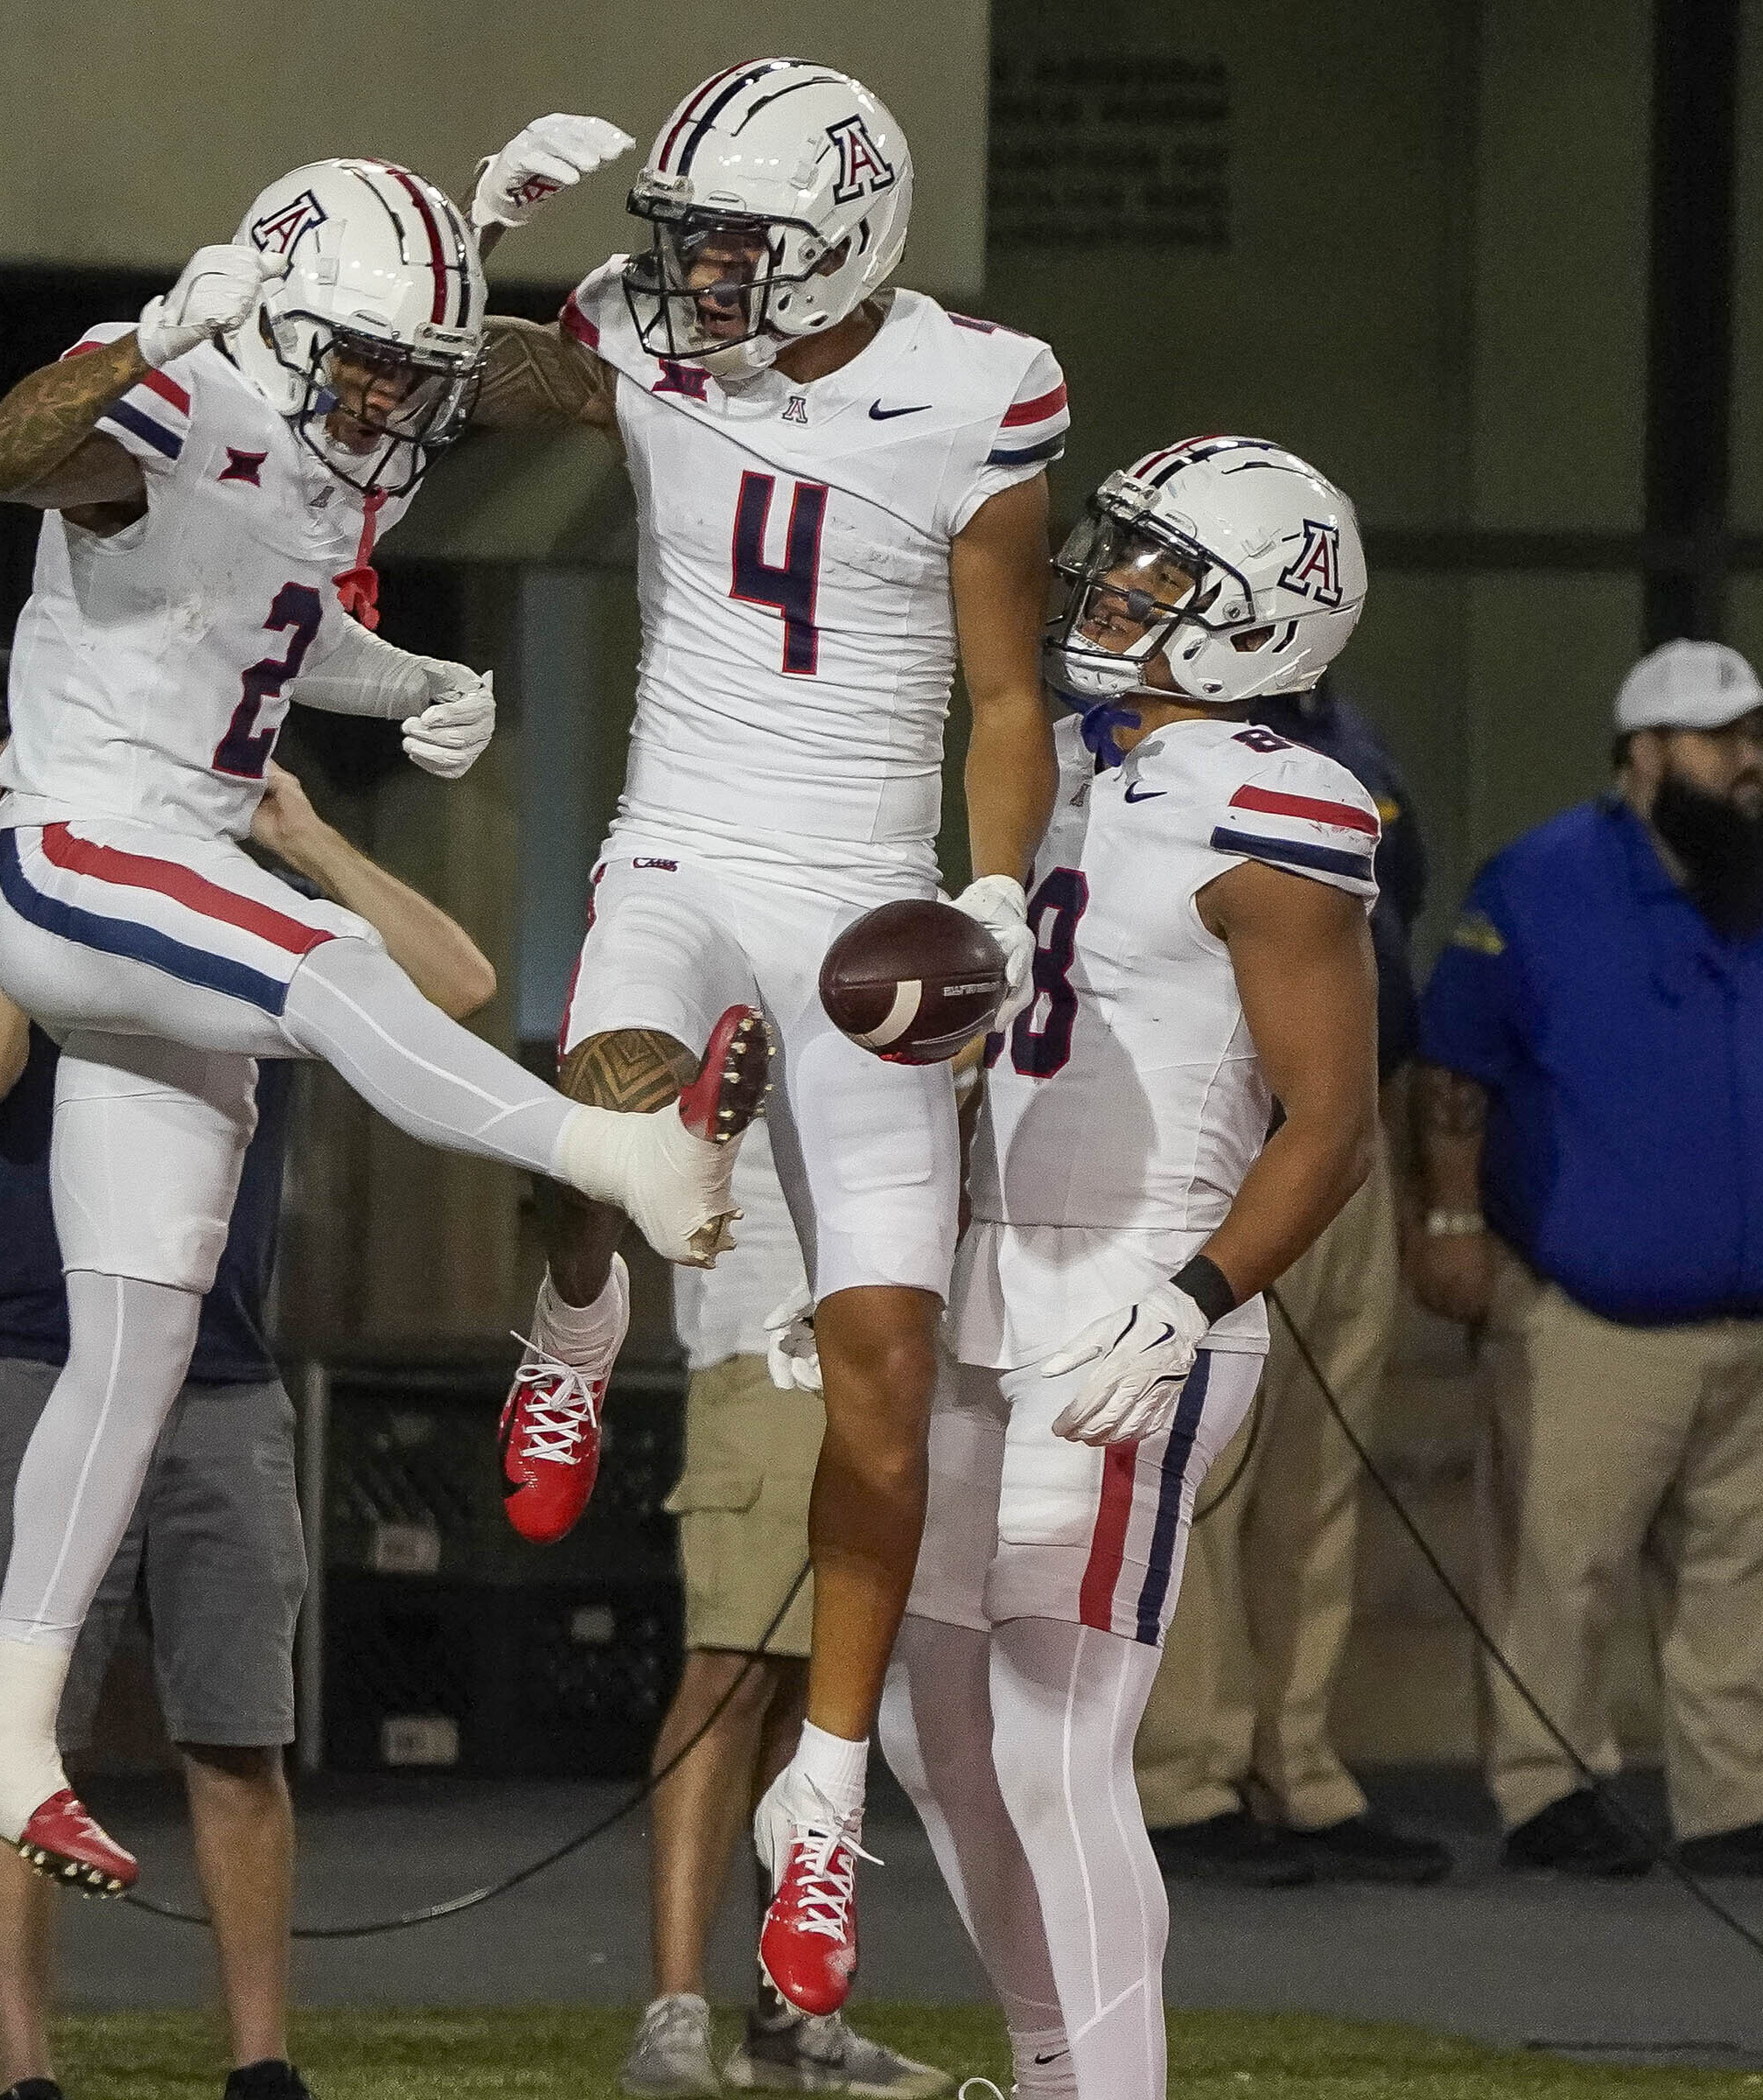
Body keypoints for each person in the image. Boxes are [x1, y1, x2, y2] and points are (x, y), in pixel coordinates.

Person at [0, 157, 769, 1900]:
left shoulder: (320, 455)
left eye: (413, 374)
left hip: (168, 886)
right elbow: (4, 458)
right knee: (337, 964)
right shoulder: (191, 386)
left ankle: (4, 1715)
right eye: (370, 364)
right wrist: (149, 344)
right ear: (274, 320)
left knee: (138, 1346)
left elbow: (265, 633)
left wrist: (419, 683)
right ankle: (613, 1154)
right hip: (81, 864)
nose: (392, 401)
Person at [465, 69, 1067, 2011]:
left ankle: (824, 1809)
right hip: (678, 845)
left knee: (882, 1367)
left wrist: (997, 892)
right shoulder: (640, 326)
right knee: (602, 1111)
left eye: (734, 241)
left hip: (866, 889)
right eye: (683, 239)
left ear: (852, 240)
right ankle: (572, 1324)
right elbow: (438, 402)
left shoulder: (981, 394)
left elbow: (1003, 690)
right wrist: (476, 252)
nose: (693, 275)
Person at [883, 438, 1384, 2100]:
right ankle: (1053, 2067)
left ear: (1264, 624)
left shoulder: (1283, 796)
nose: (1116, 584)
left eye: (1169, 572)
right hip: (992, 1289)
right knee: (928, 1724)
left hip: (1132, 1310)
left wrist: (1192, 1305)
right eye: (1123, 551)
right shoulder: (1089, 767)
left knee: (1054, 1741)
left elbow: (1330, 1123)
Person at [0, 749, 490, 2100]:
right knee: (21, 1729)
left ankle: (260, 2067)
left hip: (218, 1368)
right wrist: (36, 835)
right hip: (39, 1349)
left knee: (240, 1730)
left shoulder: (254, 901)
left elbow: (462, 986)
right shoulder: (35, 883)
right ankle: (24, 2075)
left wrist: (304, 839)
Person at [1410, 637, 1763, 1881]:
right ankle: (1551, 1792)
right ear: (1644, 756)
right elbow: (1454, 1070)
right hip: (1593, 1312)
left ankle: (1746, 1802)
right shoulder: (1540, 884)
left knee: (1750, 1573)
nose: (1754, 763)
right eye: (1724, 739)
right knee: (1558, 1566)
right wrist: (1453, 1224)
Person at [1133, 671, 1452, 1887]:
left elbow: (1392, 930)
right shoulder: (1139, 738)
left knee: (1319, 1477)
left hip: (1345, 1126)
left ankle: (1296, 1763)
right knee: (1201, 1465)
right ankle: (1181, 1777)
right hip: (1215, 1129)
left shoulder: (1350, 737)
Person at [620, 1121, 948, 2100]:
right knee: (730, 1671)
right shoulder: (736, 963)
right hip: (765, 1334)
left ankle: (792, 2023)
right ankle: (673, 2018)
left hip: (884, 1343)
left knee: (821, 1694)